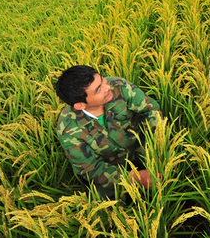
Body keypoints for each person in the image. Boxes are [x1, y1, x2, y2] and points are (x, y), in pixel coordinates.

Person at [55, 65, 162, 199]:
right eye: (98, 89)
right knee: (107, 207)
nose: (107, 87)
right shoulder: (68, 128)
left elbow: (151, 110)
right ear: (80, 105)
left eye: (102, 80)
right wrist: (134, 178)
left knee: (172, 171)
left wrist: (156, 147)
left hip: (143, 147)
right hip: (113, 169)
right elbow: (91, 169)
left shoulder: (119, 87)